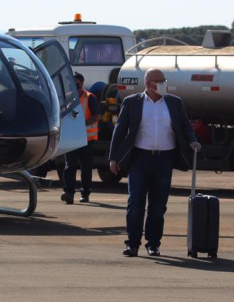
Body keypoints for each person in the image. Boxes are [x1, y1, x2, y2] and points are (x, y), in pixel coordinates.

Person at [108, 68, 201, 257]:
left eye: (164, 80)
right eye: (159, 81)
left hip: (164, 160)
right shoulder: (132, 102)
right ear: (148, 83)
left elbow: (184, 126)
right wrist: (113, 158)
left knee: (158, 206)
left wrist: (192, 140)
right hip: (139, 159)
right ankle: (132, 244)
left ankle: (153, 244)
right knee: (135, 203)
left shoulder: (174, 103)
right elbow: (120, 131)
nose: (163, 84)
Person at [62, 73, 100, 204]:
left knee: (86, 168)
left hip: (86, 139)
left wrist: (81, 124)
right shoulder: (66, 98)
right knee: (69, 166)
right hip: (71, 138)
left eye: (76, 82)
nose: (73, 84)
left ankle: (85, 194)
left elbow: (97, 116)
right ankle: (68, 193)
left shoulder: (90, 97)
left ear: (81, 83)